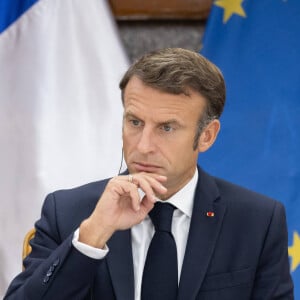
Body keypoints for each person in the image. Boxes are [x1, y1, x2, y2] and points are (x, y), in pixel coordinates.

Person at [4, 48, 293, 300]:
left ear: (206, 136)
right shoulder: (68, 213)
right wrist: (93, 234)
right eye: (135, 122)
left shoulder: (257, 222)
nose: (143, 146)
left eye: (166, 128)